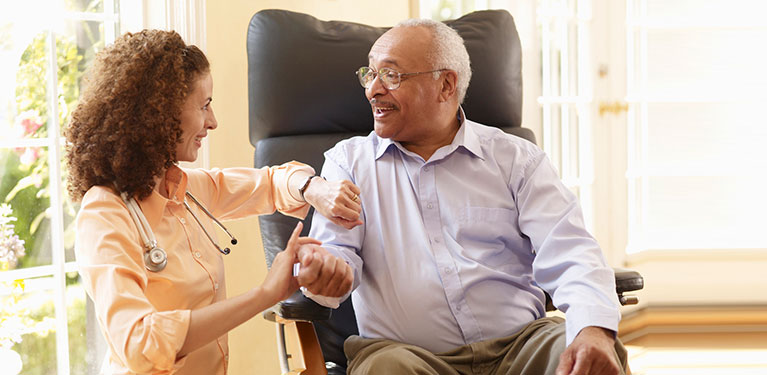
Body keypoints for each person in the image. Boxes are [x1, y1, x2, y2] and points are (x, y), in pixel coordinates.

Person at [300, 19, 629, 375]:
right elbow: (335, 254)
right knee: (386, 369)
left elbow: (571, 252)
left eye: (391, 76)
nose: (372, 90)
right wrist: (326, 273)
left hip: (521, 348)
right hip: (407, 356)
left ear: (445, 85)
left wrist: (593, 329)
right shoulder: (348, 163)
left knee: (589, 351)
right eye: (370, 74)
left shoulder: (516, 160)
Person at [66, 29, 357, 374]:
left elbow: (270, 182)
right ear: (159, 113)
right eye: (204, 106)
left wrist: (313, 187)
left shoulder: (182, 188)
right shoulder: (105, 214)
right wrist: (265, 293)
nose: (213, 121)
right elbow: (139, 344)